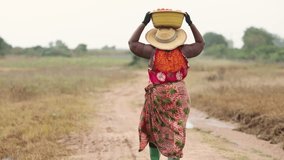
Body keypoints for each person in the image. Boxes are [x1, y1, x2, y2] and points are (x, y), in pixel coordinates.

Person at [128, 11, 204, 160]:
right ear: (176, 36)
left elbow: (132, 43)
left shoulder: (152, 51)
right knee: (176, 129)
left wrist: (144, 22)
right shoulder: (184, 51)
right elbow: (200, 44)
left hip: (158, 97)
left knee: (154, 130)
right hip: (179, 97)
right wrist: (190, 23)